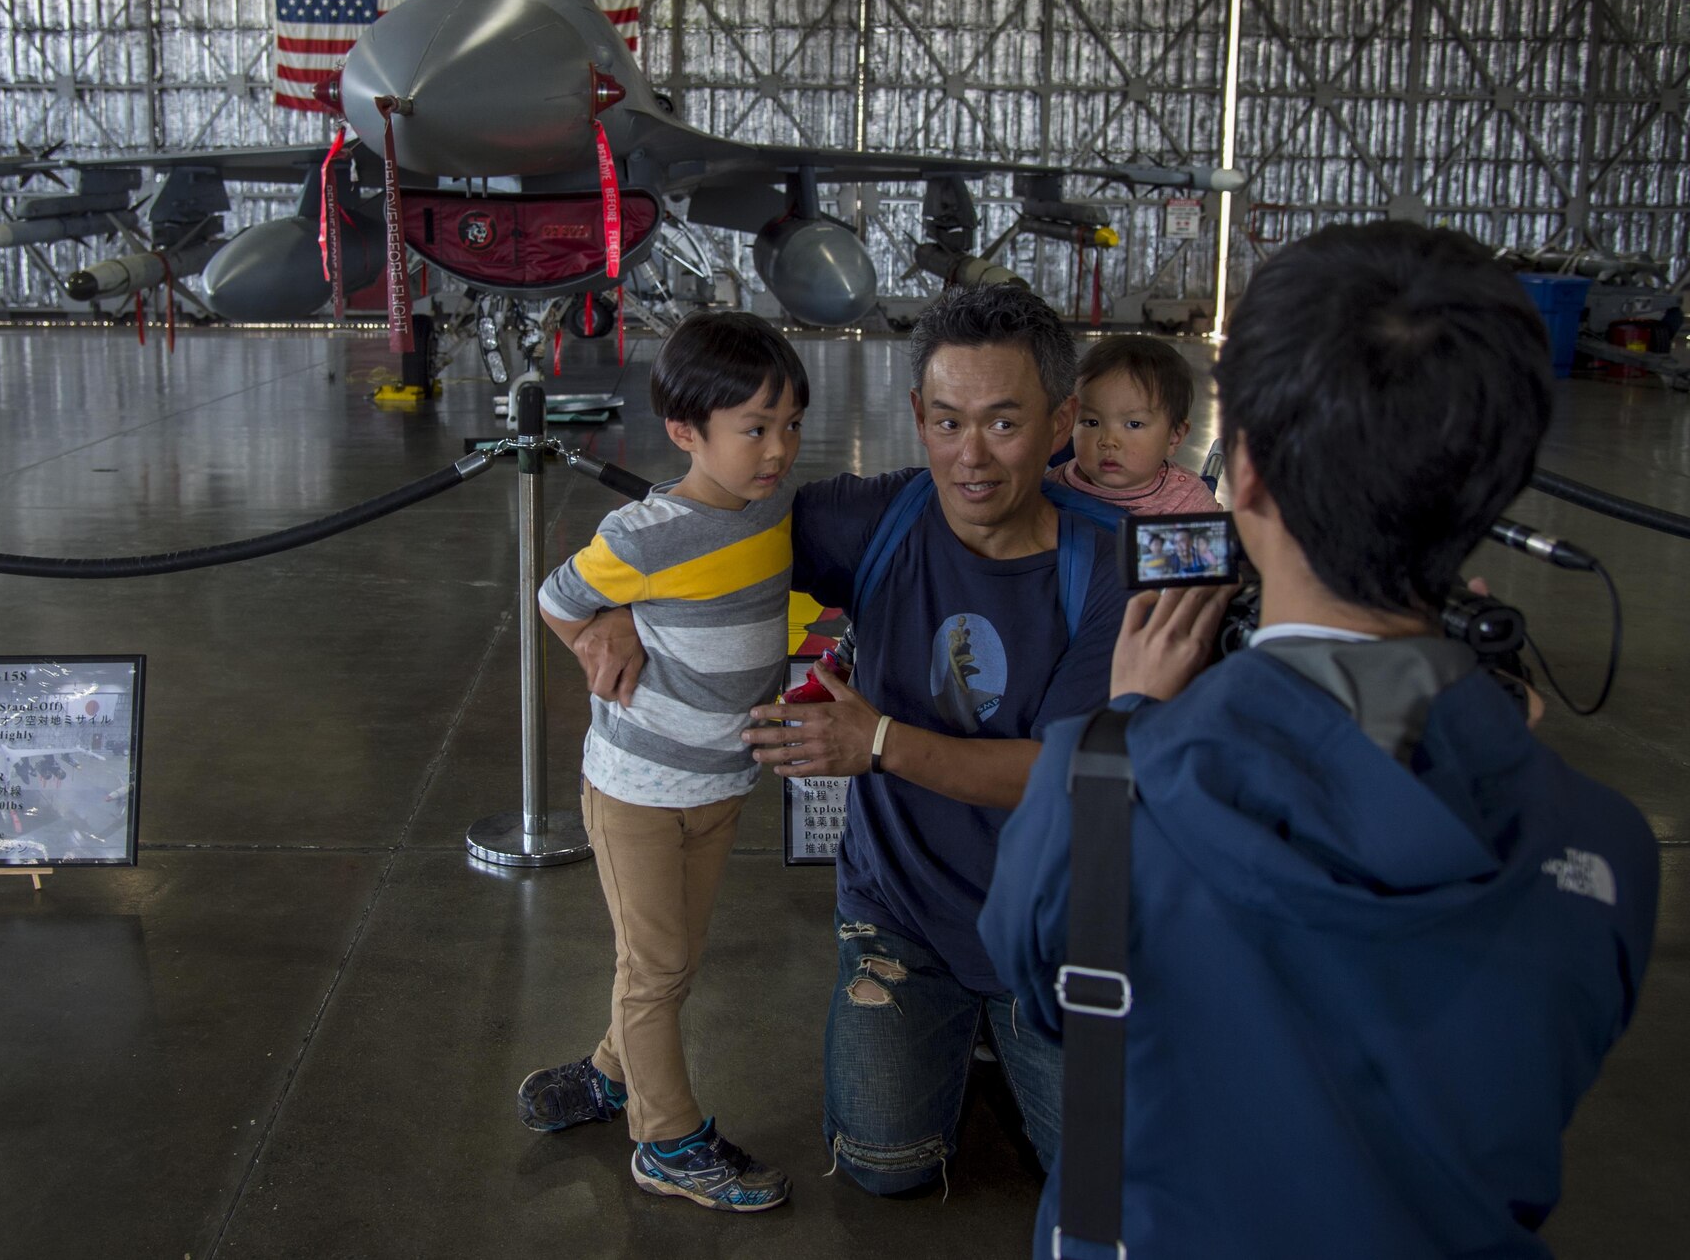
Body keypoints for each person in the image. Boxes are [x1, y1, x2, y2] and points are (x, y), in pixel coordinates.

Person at [979, 221, 1660, 1258]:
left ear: (1241, 478)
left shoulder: (1099, 791)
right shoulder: (1602, 850)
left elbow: (1033, 981)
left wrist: (1123, 721)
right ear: (1491, 488)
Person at [573, 283, 1127, 1195]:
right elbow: (710, 530)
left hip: (1049, 920)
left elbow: (1063, 777)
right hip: (901, 912)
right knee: (883, 1163)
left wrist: (877, 744)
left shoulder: (1104, 567)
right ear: (916, 413)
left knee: (1104, 1177)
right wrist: (629, 607)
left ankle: (1000, 1026)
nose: (970, 456)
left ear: (1064, 416)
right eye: (946, 422)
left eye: (1003, 422)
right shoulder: (875, 519)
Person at [517, 310, 807, 1214]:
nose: (777, 450)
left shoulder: (776, 507)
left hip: (722, 782)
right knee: (656, 969)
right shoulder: (647, 534)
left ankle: (612, 1075)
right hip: (638, 788)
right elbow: (554, 596)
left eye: (790, 424)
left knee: (673, 958)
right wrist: (599, 639)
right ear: (687, 432)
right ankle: (668, 1140)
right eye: (754, 428)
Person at [1046, 335, 1220, 514]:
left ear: (1174, 437)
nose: (1108, 441)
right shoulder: (1051, 490)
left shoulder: (1188, 503)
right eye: (1092, 422)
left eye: (1134, 424)